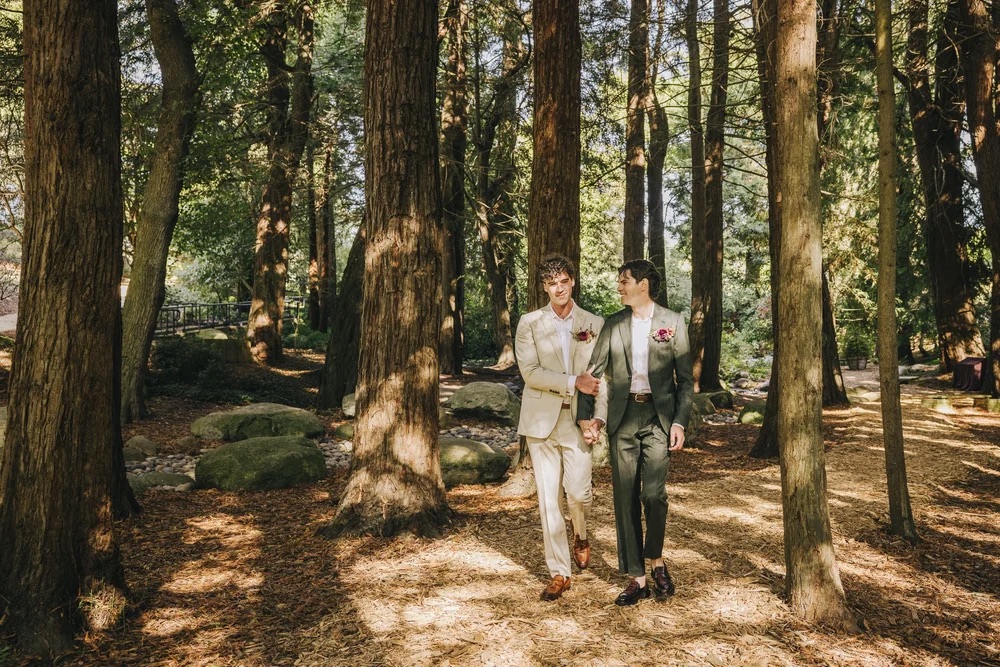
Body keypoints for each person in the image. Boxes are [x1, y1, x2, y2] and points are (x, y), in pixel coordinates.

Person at [577, 259, 694, 606]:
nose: (619, 286)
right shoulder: (613, 325)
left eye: (624, 281)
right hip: (623, 418)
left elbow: (685, 381)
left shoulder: (672, 323)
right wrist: (588, 419)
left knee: (653, 495)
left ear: (643, 285)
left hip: (659, 418)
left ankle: (656, 559)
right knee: (624, 497)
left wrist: (679, 421)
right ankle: (638, 578)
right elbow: (592, 375)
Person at [515, 254, 604, 601]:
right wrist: (572, 381)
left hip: (578, 420)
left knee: (578, 493)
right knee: (549, 501)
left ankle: (580, 533)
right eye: (552, 283)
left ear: (572, 282)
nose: (559, 288)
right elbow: (531, 373)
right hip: (540, 422)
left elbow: (601, 377)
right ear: (544, 287)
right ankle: (559, 572)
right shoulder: (529, 323)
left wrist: (597, 417)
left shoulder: (593, 323)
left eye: (563, 281)